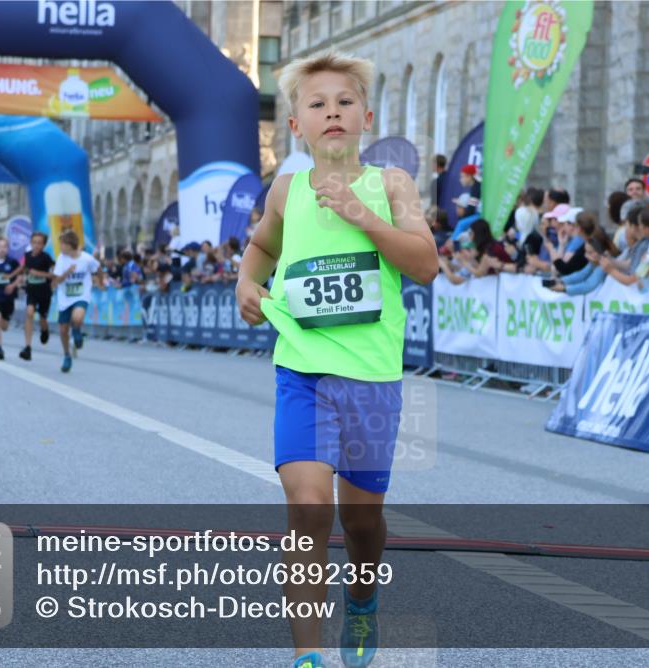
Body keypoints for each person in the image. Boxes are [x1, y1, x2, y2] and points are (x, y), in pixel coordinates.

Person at [235, 49, 437, 668]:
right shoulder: (287, 189)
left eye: (344, 102)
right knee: (308, 507)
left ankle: (364, 594)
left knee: (362, 525)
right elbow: (261, 246)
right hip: (304, 369)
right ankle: (307, 658)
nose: (332, 113)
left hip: (372, 379)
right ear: (295, 123)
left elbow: (425, 265)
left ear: (365, 116)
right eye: (317, 104)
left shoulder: (391, 185)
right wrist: (246, 281)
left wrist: (361, 215)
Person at [51, 229, 101, 372]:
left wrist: (101, 282)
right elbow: (57, 280)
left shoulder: (86, 258)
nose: (60, 247)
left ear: (69, 245)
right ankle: (67, 355)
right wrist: (68, 272)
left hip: (81, 295)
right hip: (65, 297)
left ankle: (77, 331)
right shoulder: (61, 259)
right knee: (63, 329)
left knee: (77, 317)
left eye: (62, 244)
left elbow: (97, 268)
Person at [18, 232, 55, 361]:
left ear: (44, 244)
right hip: (32, 291)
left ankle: (44, 330)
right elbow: (23, 270)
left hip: (44, 292)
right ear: (31, 243)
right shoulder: (27, 256)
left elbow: (53, 275)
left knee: (42, 318)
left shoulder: (47, 258)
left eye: (39, 243)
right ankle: (27, 347)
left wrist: (38, 273)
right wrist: (21, 279)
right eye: (34, 242)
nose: (37, 245)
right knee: (29, 313)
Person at [0, 237, 21, 360]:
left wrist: (13, 285)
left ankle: (5, 321)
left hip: (8, 298)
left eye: (4, 247)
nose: (1, 249)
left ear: (7, 248)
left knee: (4, 326)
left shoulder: (13, 262)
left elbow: (20, 277)